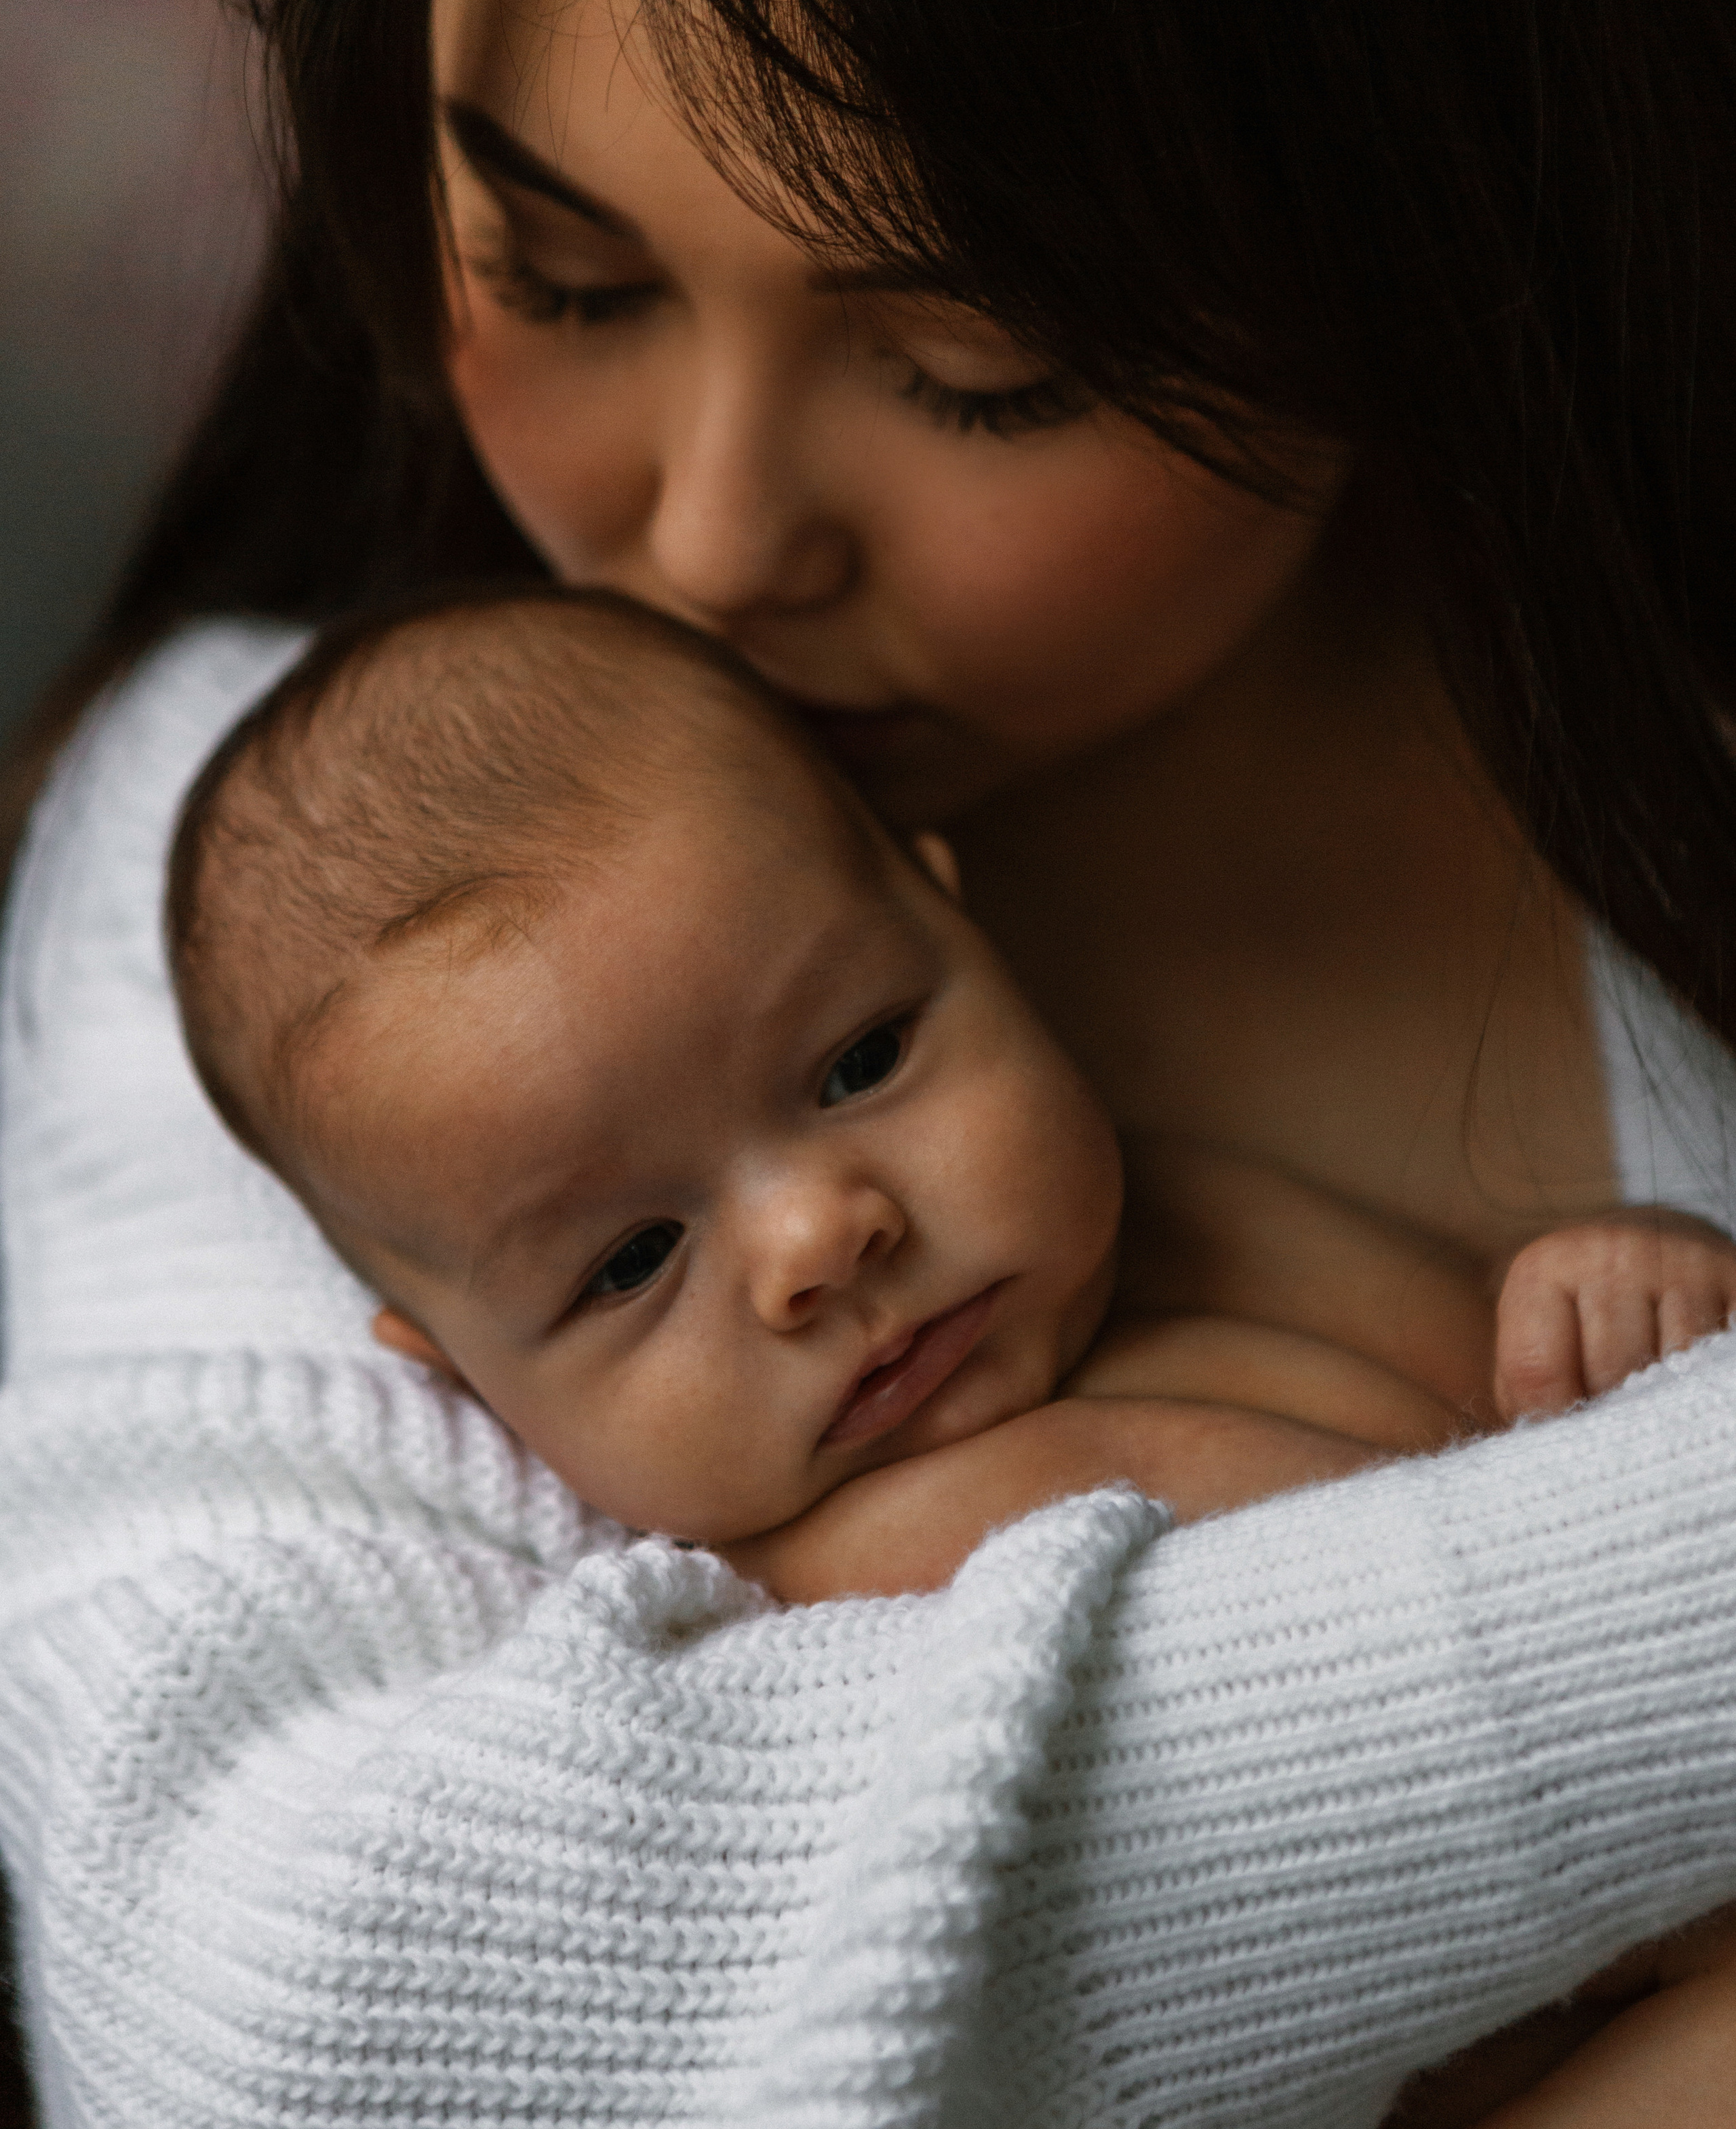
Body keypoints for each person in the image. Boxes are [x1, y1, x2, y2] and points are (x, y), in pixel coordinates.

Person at [4, 0, 1736, 2129]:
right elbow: (337, 2108)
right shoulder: (287, 918)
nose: (701, 543)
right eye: (562, 279)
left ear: (1403, 192)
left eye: (977, 367)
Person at [169, 582, 1736, 1570]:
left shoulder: (1177, 1209)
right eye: (631, 1261)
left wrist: (1623, 1291)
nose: (818, 1239)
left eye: (859, 1061)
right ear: (455, 1377)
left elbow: (1564, 1402)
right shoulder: (867, 1564)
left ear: (957, 915)